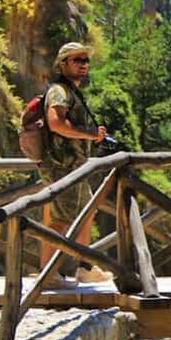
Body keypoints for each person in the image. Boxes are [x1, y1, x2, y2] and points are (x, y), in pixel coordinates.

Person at [39, 42, 109, 288]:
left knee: (86, 212)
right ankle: (48, 275)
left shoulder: (71, 92)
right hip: (61, 165)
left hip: (73, 166)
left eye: (85, 60)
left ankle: (85, 267)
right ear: (62, 64)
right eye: (77, 59)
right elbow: (56, 123)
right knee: (61, 219)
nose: (83, 64)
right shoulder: (59, 91)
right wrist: (89, 134)